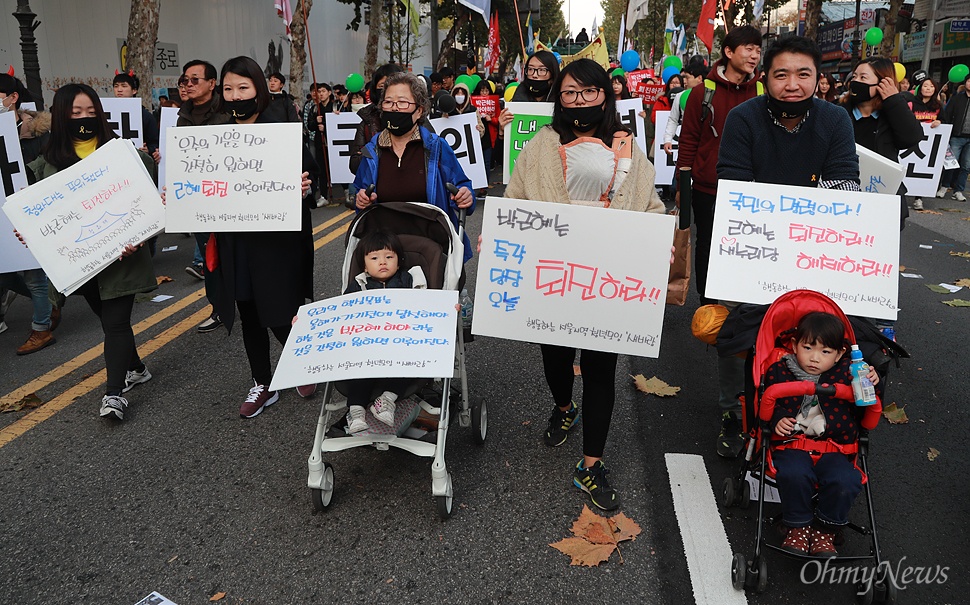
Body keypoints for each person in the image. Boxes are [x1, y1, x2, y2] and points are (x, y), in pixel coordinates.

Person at [504, 59, 666, 510]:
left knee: (599, 369)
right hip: (553, 274)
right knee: (555, 358)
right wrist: (501, 231)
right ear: (559, 97)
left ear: (605, 96)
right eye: (570, 92)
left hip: (606, 278)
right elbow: (516, 197)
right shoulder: (541, 145)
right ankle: (562, 408)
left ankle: (590, 466)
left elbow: (649, 205)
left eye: (589, 92)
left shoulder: (627, 146)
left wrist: (658, 242)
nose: (579, 101)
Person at [716, 35, 860, 460]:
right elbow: (735, 185)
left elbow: (844, 185)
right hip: (754, 243)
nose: (792, 84)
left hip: (818, 246)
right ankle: (733, 411)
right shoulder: (744, 118)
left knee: (841, 331)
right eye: (781, 75)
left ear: (819, 80)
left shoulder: (835, 121)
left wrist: (797, 217)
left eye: (803, 74)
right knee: (737, 332)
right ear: (765, 79)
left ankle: (823, 411)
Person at [27, 83, 157, 419]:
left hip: (123, 258)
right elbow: (41, 214)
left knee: (115, 323)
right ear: (60, 117)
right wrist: (29, 233)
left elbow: (144, 199)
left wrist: (140, 234)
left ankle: (113, 394)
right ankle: (137, 368)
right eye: (75, 113)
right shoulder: (47, 163)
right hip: (82, 262)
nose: (84, 118)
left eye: (89, 111)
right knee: (109, 321)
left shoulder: (122, 153)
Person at [210, 56, 315, 418]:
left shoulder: (282, 128)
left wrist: (302, 188)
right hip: (235, 240)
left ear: (258, 88)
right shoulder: (214, 136)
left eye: (243, 87)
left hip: (276, 240)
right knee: (248, 310)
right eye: (228, 89)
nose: (236, 95)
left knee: (280, 310)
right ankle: (262, 382)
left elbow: (309, 177)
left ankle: (303, 361)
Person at [766, 312, 881, 556]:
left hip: (836, 448)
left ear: (840, 353)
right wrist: (776, 420)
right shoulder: (779, 370)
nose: (814, 358)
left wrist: (871, 383)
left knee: (846, 480)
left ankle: (825, 529)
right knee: (794, 474)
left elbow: (867, 407)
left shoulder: (850, 375)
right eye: (807, 347)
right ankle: (797, 525)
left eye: (825, 352)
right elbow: (766, 403)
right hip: (793, 443)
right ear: (795, 345)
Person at [676, 24, 764, 307]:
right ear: (728, 52)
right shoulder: (703, 93)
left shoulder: (764, 91)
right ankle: (709, 302)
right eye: (748, 49)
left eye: (758, 50)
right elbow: (688, 140)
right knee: (708, 246)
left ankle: (748, 301)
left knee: (751, 247)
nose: (754, 56)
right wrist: (682, 186)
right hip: (709, 188)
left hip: (755, 190)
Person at [353, 72, 476, 262]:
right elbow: (359, 195)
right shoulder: (371, 151)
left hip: (432, 252)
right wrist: (360, 200)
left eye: (402, 102)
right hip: (385, 256)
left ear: (419, 110)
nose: (394, 108)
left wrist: (465, 195)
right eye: (388, 102)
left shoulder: (437, 147)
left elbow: (462, 187)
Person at [342, 230, 428, 432]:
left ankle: (386, 400)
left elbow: (428, 305)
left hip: (400, 344)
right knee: (357, 371)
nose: (382, 262)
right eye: (374, 258)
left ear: (398, 262)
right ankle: (356, 413)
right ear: (364, 265)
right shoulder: (359, 285)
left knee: (408, 363)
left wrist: (449, 308)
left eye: (389, 257)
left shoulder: (410, 280)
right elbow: (340, 311)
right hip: (367, 347)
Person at [0, 73, 58, 354]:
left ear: (12, 99)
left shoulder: (38, 133)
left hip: (31, 209)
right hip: (2, 211)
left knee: (33, 275)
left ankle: (41, 328)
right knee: (4, 275)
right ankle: (52, 302)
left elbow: (48, 169)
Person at [176, 60, 231, 333]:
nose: (188, 84)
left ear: (212, 83)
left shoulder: (228, 111)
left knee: (233, 253)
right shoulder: (181, 116)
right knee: (209, 256)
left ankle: (241, 301)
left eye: (194, 79)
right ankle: (218, 307)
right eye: (184, 80)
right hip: (198, 198)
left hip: (230, 197)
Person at [842, 57, 923, 227]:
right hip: (844, 200)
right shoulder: (839, 112)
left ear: (883, 83)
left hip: (882, 199)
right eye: (854, 76)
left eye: (863, 78)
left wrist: (894, 100)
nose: (856, 81)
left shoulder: (892, 114)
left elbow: (911, 138)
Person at [350, 63, 406, 174]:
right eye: (382, 86)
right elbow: (355, 165)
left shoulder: (415, 118)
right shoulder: (367, 122)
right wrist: (376, 149)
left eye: (391, 85)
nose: (387, 92)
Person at [497, 50, 561, 133]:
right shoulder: (518, 98)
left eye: (542, 70)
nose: (534, 75)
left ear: (553, 74)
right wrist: (502, 132)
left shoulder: (563, 103)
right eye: (530, 69)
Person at [910, 77, 944, 210]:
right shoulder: (912, 103)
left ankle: (918, 198)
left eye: (931, 86)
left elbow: (944, 120)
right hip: (912, 140)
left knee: (921, 169)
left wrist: (939, 122)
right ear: (920, 88)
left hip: (928, 144)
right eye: (925, 86)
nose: (928, 88)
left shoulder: (938, 106)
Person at [661, 62, 707, 156]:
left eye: (687, 77)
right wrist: (667, 139)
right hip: (686, 143)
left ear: (699, 78)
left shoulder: (710, 96)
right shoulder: (680, 96)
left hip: (706, 144)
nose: (684, 81)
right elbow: (673, 119)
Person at [938, 73, 970, 202]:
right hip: (956, 136)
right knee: (951, 163)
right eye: (969, 81)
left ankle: (959, 190)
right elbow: (947, 114)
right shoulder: (957, 98)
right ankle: (944, 187)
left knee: (966, 166)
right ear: (965, 83)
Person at [111, 71, 160, 154]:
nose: (119, 90)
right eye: (116, 86)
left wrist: (148, 149)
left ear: (134, 90)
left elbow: (155, 143)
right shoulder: (106, 112)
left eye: (124, 86)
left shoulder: (145, 116)